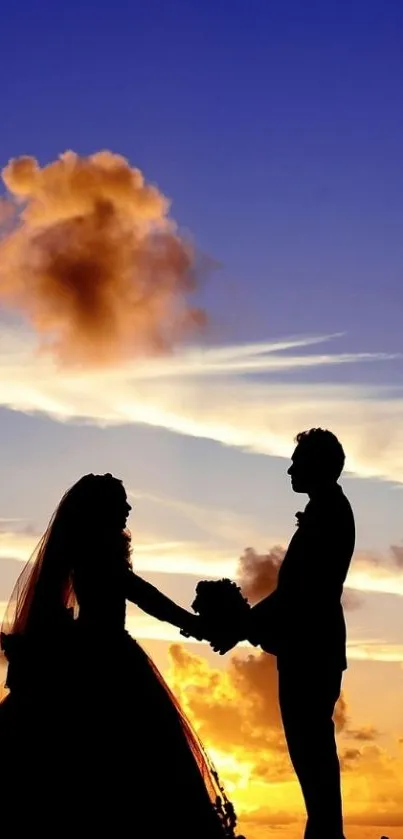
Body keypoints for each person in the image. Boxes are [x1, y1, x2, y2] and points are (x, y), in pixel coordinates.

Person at [0, 474, 241, 838]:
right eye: (121, 502)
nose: (128, 508)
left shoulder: (94, 549)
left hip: (99, 653)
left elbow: (141, 594)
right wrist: (194, 624)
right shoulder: (97, 552)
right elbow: (143, 594)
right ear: (102, 509)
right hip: (107, 660)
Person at [247, 429, 355, 839]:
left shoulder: (328, 513)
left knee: (311, 748)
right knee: (310, 749)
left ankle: (326, 835)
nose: (290, 469)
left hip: (312, 646)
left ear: (319, 466)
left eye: (297, 461)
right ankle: (324, 831)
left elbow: (301, 592)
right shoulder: (326, 509)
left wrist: (244, 622)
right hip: (309, 645)